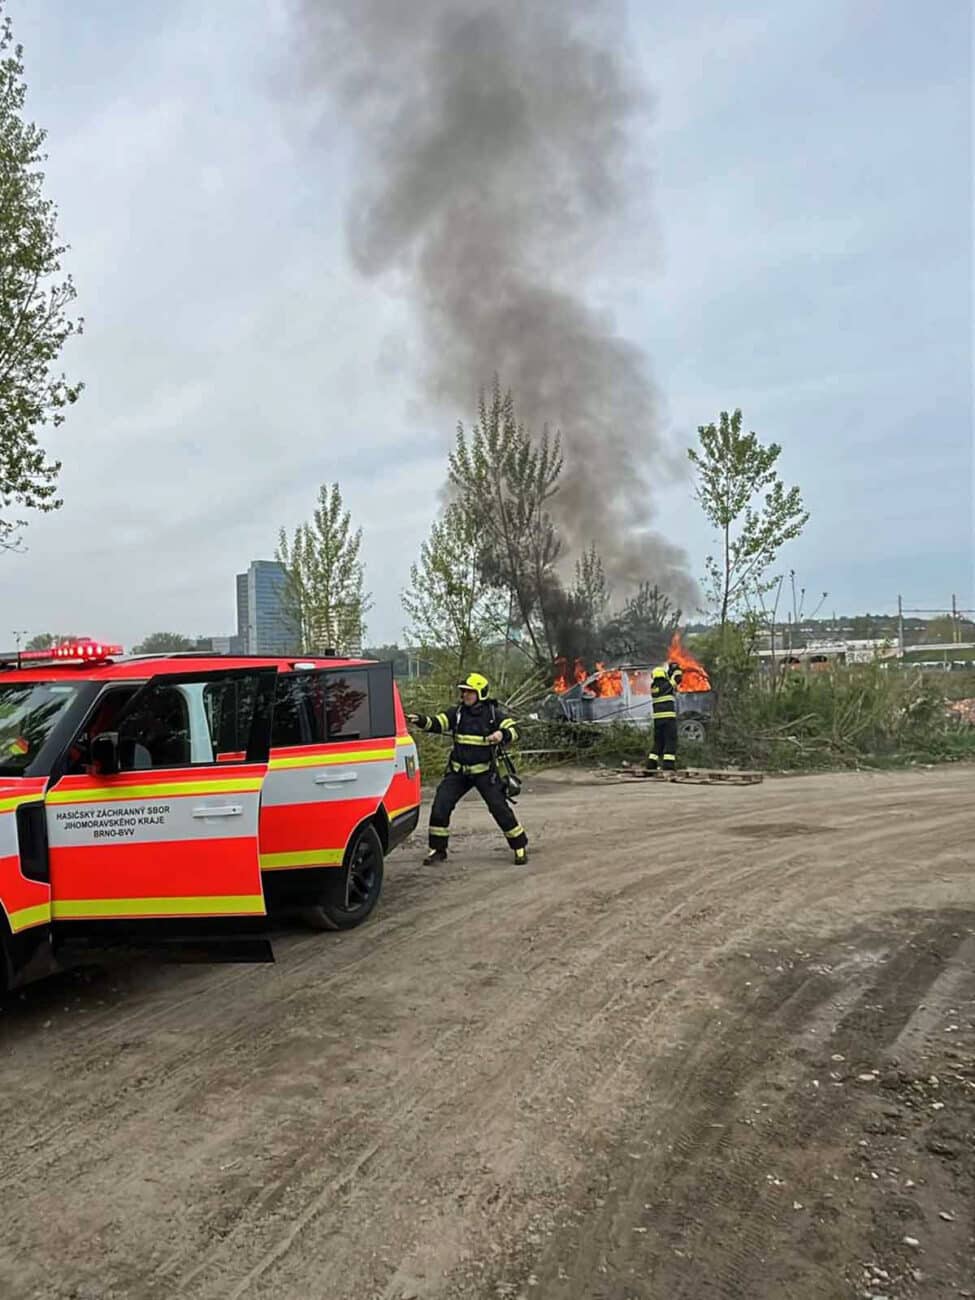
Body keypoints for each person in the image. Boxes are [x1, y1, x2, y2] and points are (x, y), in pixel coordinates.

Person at [407, 672, 528, 866]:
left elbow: (516, 730)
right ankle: (438, 850)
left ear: (480, 693)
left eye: (469, 692)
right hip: (459, 772)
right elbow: (437, 723)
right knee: (440, 806)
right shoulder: (457, 713)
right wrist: (419, 720)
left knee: (499, 808)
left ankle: (519, 846)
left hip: (485, 773)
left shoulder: (493, 714)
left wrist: (501, 734)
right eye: (463, 692)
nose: (465, 695)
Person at [644, 660, 683, 773]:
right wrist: (675, 669)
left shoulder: (653, 687)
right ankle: (668, 765)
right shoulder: (667, 686)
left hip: (658, 721)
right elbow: (677, 679)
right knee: (671, 740)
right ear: (663, 675)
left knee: (658, 742)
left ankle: (651, 764)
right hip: (668, 720)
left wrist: (669, 673)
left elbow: (668, 682)